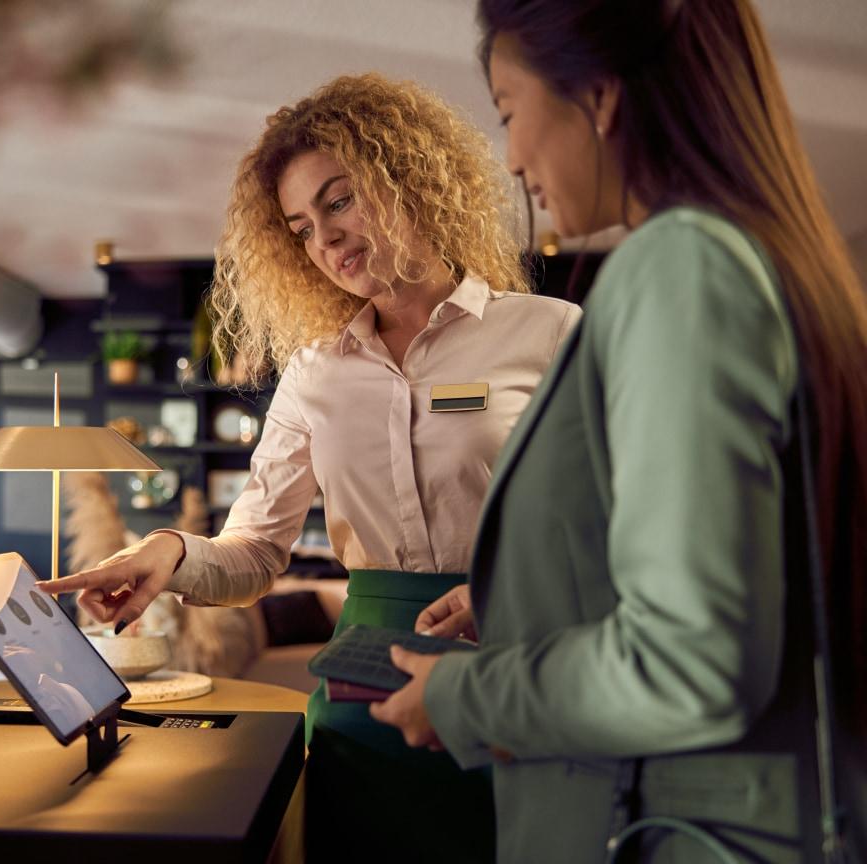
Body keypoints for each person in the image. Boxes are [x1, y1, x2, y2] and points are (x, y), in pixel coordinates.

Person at [370, 1, 867, 861]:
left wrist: (468, 698)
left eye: (510, 111)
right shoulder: (759, 257)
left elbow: (689, 663)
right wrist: (528, 596)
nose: (513, 157)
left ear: (598, 96)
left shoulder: (679, 265)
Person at [42, 72, 579, 860]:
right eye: (299, 226)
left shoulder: (549, 332)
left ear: (413, 179)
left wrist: (514, 587)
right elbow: (257, 552)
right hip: (364, 691)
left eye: (339, 200)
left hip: (521, 668)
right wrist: (170, 552)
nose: (323, 240)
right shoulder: (314, 373)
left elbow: (612, 523)